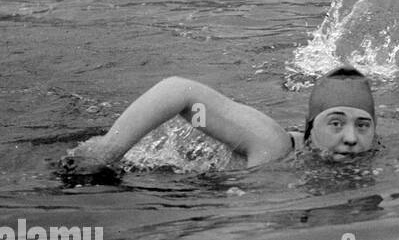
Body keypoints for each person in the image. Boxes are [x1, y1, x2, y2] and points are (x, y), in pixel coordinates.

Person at [63, 67, 377, 173]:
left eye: (362, 125)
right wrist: (107, 150)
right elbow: (178, 89)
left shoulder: (370, 160)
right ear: (310, 128)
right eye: (336, 123)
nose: (351, 138)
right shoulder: (273, 144)